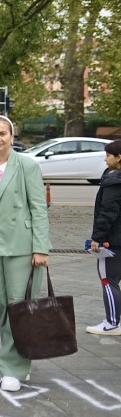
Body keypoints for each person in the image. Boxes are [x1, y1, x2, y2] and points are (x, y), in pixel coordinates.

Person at [0, 115, 50, 392]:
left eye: (3, 133)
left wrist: (41, 247)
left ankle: (15, 367)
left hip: (20, 245)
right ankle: (8, 363)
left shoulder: (26, 165)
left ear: (12, 137)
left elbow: (38, 207)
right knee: (2, 306)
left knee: (19, 306)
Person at [87, 140, 121, 335]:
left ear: (118, 158)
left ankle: (112, 323)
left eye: (108, 155)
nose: (105, 158)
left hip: (113, 241)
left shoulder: (114, 181)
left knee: (108, 280)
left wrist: (97, 238)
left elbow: (107, 213)